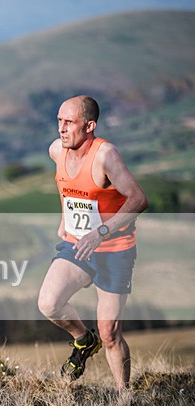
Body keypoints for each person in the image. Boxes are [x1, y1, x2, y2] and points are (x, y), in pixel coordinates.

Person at [38, 95, 148, 390]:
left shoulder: (105, 155)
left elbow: (139, 199)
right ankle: (84, 340)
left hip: (114, 251)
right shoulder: (56, 151)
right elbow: (68, 189)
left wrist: (100, 232)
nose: (62, 128)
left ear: (89, 126)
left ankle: (124, 397)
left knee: (110, 333)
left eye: (69, 122)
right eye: (59, 121)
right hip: (77, 246)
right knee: (49, 303)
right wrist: (65, 220)